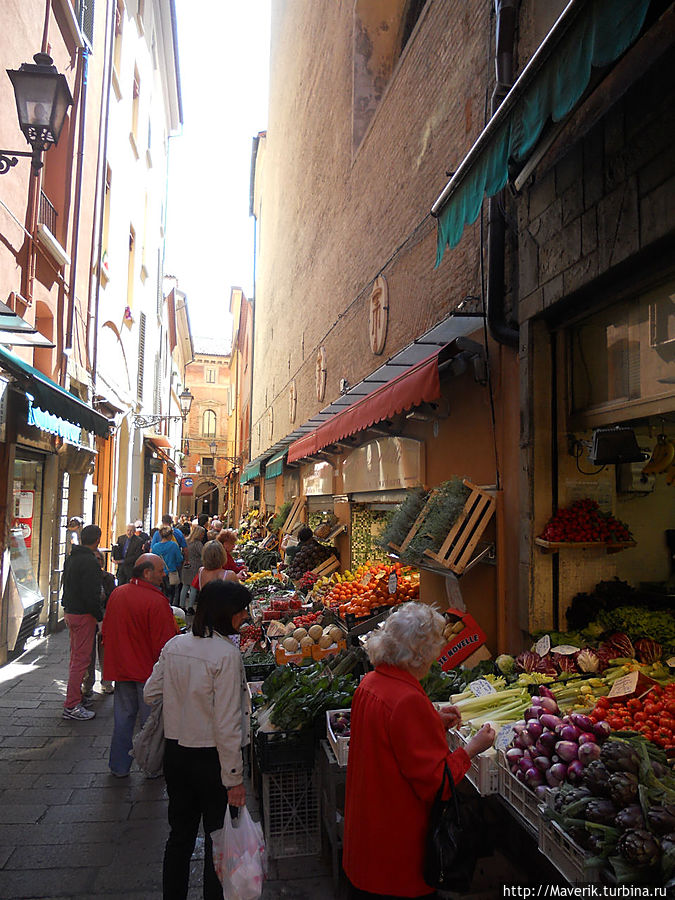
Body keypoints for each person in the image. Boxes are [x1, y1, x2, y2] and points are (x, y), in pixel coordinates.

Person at [342, 602, 495, 899]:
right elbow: (436, 784)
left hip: (365, 842)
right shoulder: (408, 699)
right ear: (420, 654)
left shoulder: (370, 684)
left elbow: (388, 738)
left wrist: (432, 721)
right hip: (396, 855)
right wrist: (471, 749)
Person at [144, 579, 252, 900]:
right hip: (212, 760)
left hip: (176, 756)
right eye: (241, 609)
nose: (245, 615)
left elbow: (151, 693)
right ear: (226, 612)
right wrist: (234, 778)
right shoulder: (226, 655)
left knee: (179, 836)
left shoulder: (174, 646)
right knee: (217, 840)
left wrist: (183, 693)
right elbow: (228, 723)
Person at [101, 554, 178, 777]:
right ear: (147, 573)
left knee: (123, 718)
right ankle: (151, 766)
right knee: (151, 722)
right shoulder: (156, 601)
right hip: (147, 670)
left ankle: (119, 766)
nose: (164, 574)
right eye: (160, 570)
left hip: (122, 668)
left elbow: (108, 630)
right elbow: (164, 644)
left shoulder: (118, 593)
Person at [61, 524, 103, 721]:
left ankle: (75, 698)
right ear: (97, 540)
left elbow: (65, 583)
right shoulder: (90, 561)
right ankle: (71, 705)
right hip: (83, 614)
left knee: (76, 658)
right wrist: (99, 617)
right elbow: (91, 594)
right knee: (81, 661)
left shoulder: (72, 557)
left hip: (71, 612)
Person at [82, 549, 116, 697]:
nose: (97, 562)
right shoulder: (84, 578)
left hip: (105, 619)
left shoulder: (108, 577)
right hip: (89, 619)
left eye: (99, 559)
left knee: (106, 652)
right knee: (88, 654)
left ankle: (106, 682)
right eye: (94, 559)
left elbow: (112, 598)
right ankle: (88, 684)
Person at [153, 525, 185, 603]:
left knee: (160, 593)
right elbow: (179, 559)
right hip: (171, 573)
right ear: (170, 535)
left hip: (159, 574)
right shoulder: (174, 545)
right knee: (171, 595)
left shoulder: (155, 547)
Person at [179, 524, 206, 610]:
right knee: (193, 587)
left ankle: (181, 605)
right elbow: (203, 554)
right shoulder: (198, 544)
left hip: (186, 566)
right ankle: (190, 607)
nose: (203, 536)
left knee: (185, 586)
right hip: (195, 567)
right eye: (202, 534)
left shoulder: (186, 541)